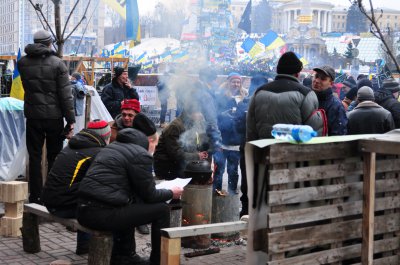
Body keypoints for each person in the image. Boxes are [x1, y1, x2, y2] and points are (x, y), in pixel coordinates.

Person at [77, 128, 183, 265]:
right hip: (101, 215)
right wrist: (171, 192)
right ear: (150, 141)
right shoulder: (140, 155)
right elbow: (150, 195)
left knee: (129, 207)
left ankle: (124, 256)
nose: (154, 150)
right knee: (162, 210)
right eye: (155, 146)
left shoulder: (111, 148)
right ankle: (157, 261)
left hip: (83, 210)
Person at [18, 29, 75, 204]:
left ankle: (35, 196)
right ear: (50, 43)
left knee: (34, 157)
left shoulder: (22, 63)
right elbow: (65, 96)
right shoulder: (58, 64)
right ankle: (52, 196)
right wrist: (71, 120)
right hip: (54, 118)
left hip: (33, 117)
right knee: (54, 157)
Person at [41, 120, 111, 255]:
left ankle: (84, 245)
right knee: (99, 202)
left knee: (88, 194)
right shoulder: (97, 152)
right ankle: (95, 248)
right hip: (62, 206)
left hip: (50, 200)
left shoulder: (72, 145)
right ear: (106, 137)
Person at [247, 51, 323, 142]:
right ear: (298, 73)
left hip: (264, 152)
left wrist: (247, 152)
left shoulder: (259, 92)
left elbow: (250, 129)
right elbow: (313, 131)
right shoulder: (306, 94)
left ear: (278, 70)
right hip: (294, 153)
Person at [108, 98, 157, 235]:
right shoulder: (112, 128)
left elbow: (153, 143)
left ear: (137, 115)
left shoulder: (144, 128)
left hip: (138, 166)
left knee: (142, 189)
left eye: (130, 115)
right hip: (118, 168)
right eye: (124, 114)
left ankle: (140, 221)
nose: (126, 118)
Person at [236, 74, 268, 217]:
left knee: (247, 181)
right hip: (266, 149)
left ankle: (246, 211)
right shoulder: (271, 103)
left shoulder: (245, 103)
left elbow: (237, 125)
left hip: (248, 148)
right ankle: (260, 212)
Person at [153, 105, 209, 180]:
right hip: (167, 167)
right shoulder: (175, 127)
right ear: (190, 114)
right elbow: (175, 153)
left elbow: (192, 145)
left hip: (178, 163)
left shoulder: (191, 124)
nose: (201, 115)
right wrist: (196, 156)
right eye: (198, 112)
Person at [214, 72, 248, 194]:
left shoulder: (245, 98)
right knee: (219, 170)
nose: (236, 84)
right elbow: (215, 115)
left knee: (233, 171)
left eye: (238, 82)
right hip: (222, 141)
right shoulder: (221, 96)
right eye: (234, 81)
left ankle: (232, 195)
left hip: (236, 142)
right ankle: (217, 193)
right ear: (228, 82)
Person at [312, 65, 348, 136]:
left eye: (323, 79)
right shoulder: (306, 99)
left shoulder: (336, 106)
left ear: (331, 83)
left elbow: (339, 135)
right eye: (316, 76)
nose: (316, 81)